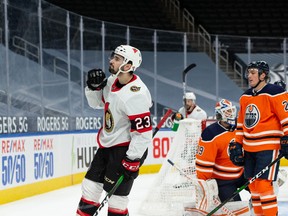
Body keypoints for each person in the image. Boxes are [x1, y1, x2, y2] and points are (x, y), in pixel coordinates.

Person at [76, 45, 153, 216]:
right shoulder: (112, 81)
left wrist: (132, 159)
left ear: (127, 66)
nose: (111, 60)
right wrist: (93, 87)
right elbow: (96, 103)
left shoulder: (136, 94)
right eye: (113, 56)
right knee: (90, 187)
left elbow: (143, 133)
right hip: (107, 146)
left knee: (117, 200)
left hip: (125, 150)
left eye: (117, 59)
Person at [229, 61, 288, 216]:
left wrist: (287, 138)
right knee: (253, 186)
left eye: (253, 72)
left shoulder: (276, 92)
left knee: (263, 185)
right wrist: (237, 144)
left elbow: (286, 118)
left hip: (268, 147)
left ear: (263, 75)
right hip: (249, 148)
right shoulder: (245, 97)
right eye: (249, 72)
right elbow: (241, 125)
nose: (249, 76)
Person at [196, 99, 246, 203]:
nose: (231, 114)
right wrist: (205, 185)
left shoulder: (241, 127)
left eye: (232, 110)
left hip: (242, 175)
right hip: (223, 181)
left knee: (262, 192)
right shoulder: (210, 133)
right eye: (227, 111)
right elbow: (204, 163)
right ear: (219, 114)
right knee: (236, 209)